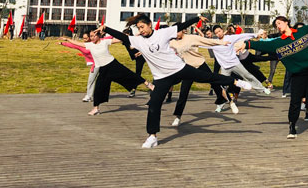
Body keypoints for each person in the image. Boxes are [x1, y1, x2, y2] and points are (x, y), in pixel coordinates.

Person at [102, 14, 252, 148]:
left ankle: (235, 82)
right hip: (162, 78)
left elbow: (181, 26)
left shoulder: (162, 33)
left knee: (208, 77)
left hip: (179, 68)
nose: (141, 30)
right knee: (154, 105)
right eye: (138, 28)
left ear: (150, 25)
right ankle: (152, 136)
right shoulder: (138, 40)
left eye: (143, 27)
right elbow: (122, 37)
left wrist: (197, 19)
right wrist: (105, 28)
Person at [60, 33, 100, 102]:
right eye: (83, 38)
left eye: (86, 38)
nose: (84, 40)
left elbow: (107, 39)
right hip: (95, 65)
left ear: (90, 37)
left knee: (109, 78)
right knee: (91, 80)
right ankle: (89, 96)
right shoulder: (82, 45)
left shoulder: (94, 44)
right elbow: (72, 45)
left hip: (102, 62)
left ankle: (93, 96)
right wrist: (62, 43)